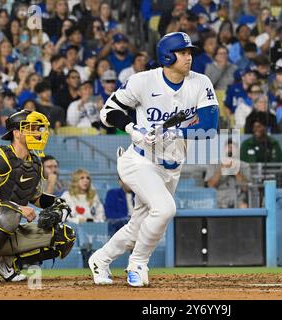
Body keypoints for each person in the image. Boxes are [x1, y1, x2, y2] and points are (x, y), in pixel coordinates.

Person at [89, 32, 219, 286]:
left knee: (139, 226)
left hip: (171, 166)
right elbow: (108, 112)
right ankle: (137, 265)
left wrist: (174, 131)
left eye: (190, 52)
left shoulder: (201, 82)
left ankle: (100, 259)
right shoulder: (143, 81)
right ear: (168, 56)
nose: (189, 57)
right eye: (183, 52)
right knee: (165, 209)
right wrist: (131, 130)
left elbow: (210, 126)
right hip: (139, 160)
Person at [0, 110, 76, 281]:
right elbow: (14, 209)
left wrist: (58, 203)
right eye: (31, 128)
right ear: (16, 133)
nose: (39, 133)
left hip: (9, 229)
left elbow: (34, 196)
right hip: (4, 220)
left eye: (39, 128)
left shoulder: (35, 163)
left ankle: (5, 261)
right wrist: (17, 208)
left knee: (65, 235)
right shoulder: (0, 158)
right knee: (9, 214)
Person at [205, 139, 249, 209]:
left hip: (238, 200)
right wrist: (221, 169)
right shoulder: (213, 164)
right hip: (219, 201)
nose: (230, 150)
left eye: (233, 148)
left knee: (244, 206)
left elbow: (245, 188)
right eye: (228, 147)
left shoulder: (244, 165)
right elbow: (210, 185)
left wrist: (236, 171)